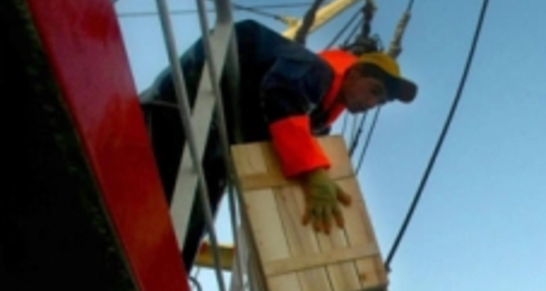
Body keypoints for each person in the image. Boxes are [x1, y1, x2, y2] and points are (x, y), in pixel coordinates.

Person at [139, 20, 418, 271]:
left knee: (192, 218)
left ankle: (163, 282)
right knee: (169, 211)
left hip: (211, 132)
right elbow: (281, 95)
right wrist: (314, 173)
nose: (372, 103)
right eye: (375, 91)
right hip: (183, 104)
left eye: (380, 102)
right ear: (355, 73)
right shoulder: (317, 70)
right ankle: (153, 276)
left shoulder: (317, 120)